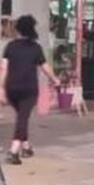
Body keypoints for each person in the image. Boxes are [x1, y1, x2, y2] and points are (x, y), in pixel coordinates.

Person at [0, 16, 60, 165]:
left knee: (22, 116)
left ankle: (26, 147)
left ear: (18, 29)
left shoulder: (10, 46)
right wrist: (55, 79)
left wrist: (1, 88)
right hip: (28, 89)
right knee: (23, 118)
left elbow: (4, 69)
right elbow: (45, 67)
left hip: (11, 89)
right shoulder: (35, 47)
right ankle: (14, 151)